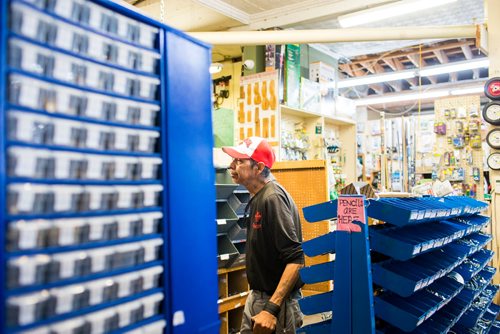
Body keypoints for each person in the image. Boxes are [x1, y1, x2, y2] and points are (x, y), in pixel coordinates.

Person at [222, 137, 305, 334]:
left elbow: (296, 259)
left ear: (258, 168)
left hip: (275, 303)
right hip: (259, 297)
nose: (231, 166)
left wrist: (271, 309)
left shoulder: (272, 198)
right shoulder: (259, 196)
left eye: (239, 161)